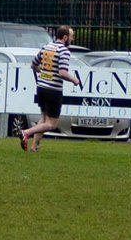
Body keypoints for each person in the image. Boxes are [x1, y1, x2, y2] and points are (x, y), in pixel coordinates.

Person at [19, 25, 83, 153]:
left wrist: (44, 73)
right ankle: (26, 132)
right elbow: (62, 73)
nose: (72, 39)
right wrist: (74, 80)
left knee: (43, 119)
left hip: (41, 87)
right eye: (71, 36)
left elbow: (33, 65)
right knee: (52, 124)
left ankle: (34, 147)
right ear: (65, 37)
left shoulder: (46, 47)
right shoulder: (64, 51)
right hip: (53, 90)